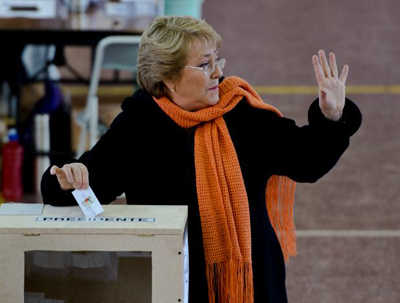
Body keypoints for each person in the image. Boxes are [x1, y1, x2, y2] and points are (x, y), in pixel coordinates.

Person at [41, 16, 362, 303]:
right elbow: (83, 188)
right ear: (168, 78)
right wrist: (70, 177)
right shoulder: (139, 125)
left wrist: (331, 116)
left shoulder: (241, 113)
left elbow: (307, 161)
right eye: (205, 64)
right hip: (171, 285)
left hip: (252, 286)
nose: (219, 72)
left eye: (217, 60)